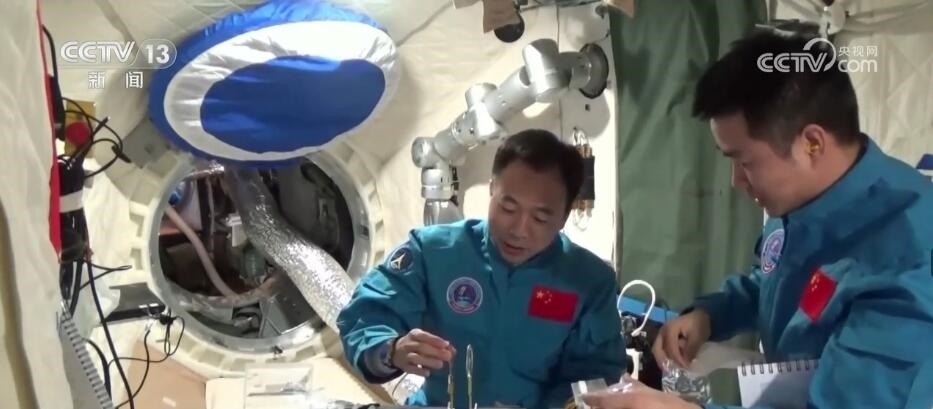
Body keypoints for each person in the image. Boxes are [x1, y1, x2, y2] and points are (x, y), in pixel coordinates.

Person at [583, 23, 933, 409]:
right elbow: (775, 279)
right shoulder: (804, 198)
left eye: (746, 162)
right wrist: (709, 316)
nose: (736, 181)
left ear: (812, 143)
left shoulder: (907, 261)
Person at [337, 129, 628, 409]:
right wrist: (390, 351)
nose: (518, 230)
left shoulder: (587, 282)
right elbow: (365, 317)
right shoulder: (434, 252)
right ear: (492, 189)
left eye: (540, 218)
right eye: (508, 208)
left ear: (564, 216)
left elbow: (596, 376)